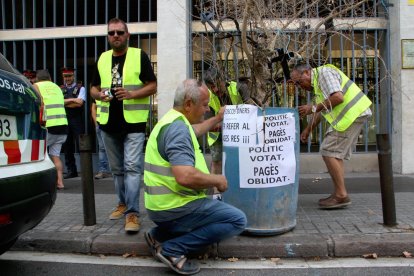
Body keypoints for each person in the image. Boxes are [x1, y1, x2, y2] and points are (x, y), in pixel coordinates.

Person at [143, 79, 247, 275]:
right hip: (176, 207)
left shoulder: (172, 120)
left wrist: (217, 118)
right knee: (236, 220)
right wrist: (217, 180)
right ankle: (174, 250)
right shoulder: (178, 129)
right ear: (189, 104)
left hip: (160, 206)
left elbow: (195, 131)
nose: (206, 109)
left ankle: (158, 235)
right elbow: (185, 176)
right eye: (205, 105)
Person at [90, 17, 157, 233]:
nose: (116, 36)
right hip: (108, 123)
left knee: (132, 168)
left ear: (128, 35)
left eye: (120, 32)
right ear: (108, 37)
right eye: (112, 33)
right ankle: (122, 204)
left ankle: (133, 213)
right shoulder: (102, 59)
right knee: (117, 170)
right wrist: (99, 95)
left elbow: (153, 85)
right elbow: (93, 88)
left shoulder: (139, 56)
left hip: (134, 124)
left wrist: (132, 94)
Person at [292, 63, 372, 209]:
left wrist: (312, 107)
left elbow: (337, 98)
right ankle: (339, 193)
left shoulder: (324, 73)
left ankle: (341, 195)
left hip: (352, 115)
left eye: (299, 82)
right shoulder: (317, 85)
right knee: (335, 155)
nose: (299, 86)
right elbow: (321, 110)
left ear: (306, 73)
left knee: (328, 151)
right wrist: (308, 129)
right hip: (351, 116)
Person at [203, 68, 254, 175]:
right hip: (218, 135)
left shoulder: (239, 87)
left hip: (241, 131)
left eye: (217, 85)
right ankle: (216, 191)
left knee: (243, 160)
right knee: (217, 161)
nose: (215, 89)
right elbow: (209, 125)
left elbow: (251, 110)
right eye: (211, 87)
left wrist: (231, 112)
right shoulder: (207, 97)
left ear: (223, 80)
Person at [33, 69, 68, 190]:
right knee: (56, 156)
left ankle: (42, 184)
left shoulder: (36, 86)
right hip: (63, 126)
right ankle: (60, 182)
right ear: (50, 78)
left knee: (41, 155)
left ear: (37, 78)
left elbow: (37, 103)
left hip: (48, 126)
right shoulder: (57, 87)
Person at [60, 67, 86, 179]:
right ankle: (72, 171)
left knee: (81, 145)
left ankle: (85, 170)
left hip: (77, 120)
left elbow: (80, 103)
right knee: (67, 146)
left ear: (73, 76)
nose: (68, 78)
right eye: (65, 76)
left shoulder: (81, 88)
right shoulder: (60, 88)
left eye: (69, 76)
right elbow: (58, 103)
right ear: (63, 77)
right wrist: (73, 100)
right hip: (65, 119)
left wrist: (65, 102)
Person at [91, 99, 111, 179]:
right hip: (100, 124)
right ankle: (103, 171)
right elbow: (93, 108)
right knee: (102, 148)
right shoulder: (97, 93)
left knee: (115, 147)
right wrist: (96, 124)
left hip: (110, 124)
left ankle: (118, 171)